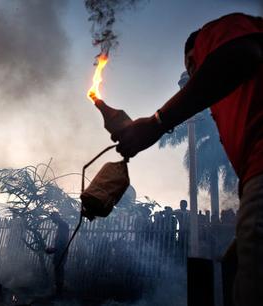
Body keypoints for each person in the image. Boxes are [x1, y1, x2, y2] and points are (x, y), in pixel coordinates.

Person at [111, 13, 262, 306]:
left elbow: (242, 52)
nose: (192, 76)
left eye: (191, 67)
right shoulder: (230, 100)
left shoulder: (216, 33)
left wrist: (157, 122)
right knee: (236, 264)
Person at [45, 212, 70, 295]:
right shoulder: (61, 225)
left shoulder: (63, 226)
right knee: (58, 270)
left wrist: (53, 249)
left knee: (59, 270)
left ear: (56, 217)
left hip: (61, 252)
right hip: (60, 251)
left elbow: (62, 242)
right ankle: (58, 291)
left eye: (53, 219)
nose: (52, 221)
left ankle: (59, 292)